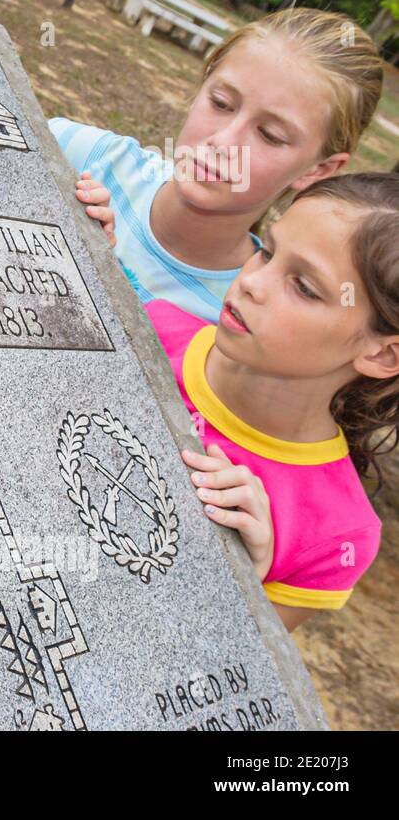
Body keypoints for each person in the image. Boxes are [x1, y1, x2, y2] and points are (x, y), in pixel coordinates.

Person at [148, 172, 398, 631]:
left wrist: (244, 578)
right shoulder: (147, 328)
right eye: (266, 250)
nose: (252, 283)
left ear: (382, 353)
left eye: (303, 287)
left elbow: (211, 680)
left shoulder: (338, 539)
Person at [55, 8, 383, 323]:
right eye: (221, 103)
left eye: (270, 135)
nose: (224, 142)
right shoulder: (77, 155)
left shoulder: (245, 315)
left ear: (318, 170)